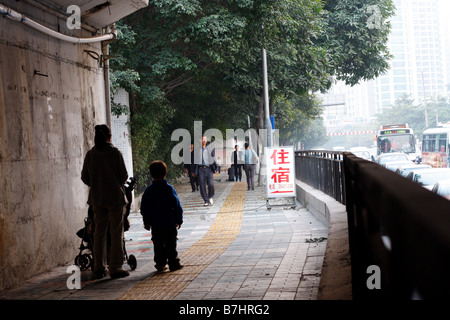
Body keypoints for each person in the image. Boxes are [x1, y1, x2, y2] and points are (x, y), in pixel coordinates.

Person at [81, 124, 130, 279]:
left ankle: (99, 267)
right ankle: (116, 267)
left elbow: (84, 177)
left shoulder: (90, 155)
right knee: (116, 232)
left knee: (99, 233)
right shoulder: (115, 153)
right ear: (109, 136)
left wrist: (97, 186)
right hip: (115, 198)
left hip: (97, 199)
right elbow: (123, 176)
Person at [140, 160, 184, 272]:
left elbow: (144, 208)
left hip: (156, 224)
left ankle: (160, 264)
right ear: (165, 173)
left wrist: (146, 221)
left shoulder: (149, 190)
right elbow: (177, 205)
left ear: (151, 174)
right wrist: (179, 219)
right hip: (169, 222)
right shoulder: (169, 189)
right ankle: (173, 263)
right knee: (171, 244)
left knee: (158, 245)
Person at [194, 135, 217, 206]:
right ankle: (206, 200)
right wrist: (194, 171)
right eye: (202, 139)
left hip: (209, 169)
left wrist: (216, 168)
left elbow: (213, 159)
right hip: (201, 169)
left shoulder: (210, 149)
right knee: (202, 186)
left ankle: (210, 196)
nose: (204, 140)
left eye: (205, 139)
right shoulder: (197, 150)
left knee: (211, 184)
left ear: (206, 140)